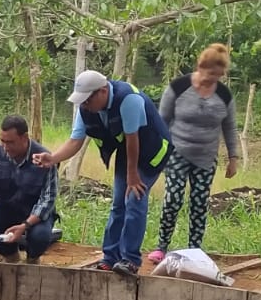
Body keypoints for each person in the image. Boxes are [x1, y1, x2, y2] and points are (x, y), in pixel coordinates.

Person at [33, 70, 172, 277]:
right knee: (118, 203)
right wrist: (52, 158)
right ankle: (110, 258)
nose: (85, 105)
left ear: (103, 92)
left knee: (134, 198)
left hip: (152, 149)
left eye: (88, 100)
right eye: (82, 101)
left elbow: (133, 138)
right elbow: (75, 141)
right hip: (129, 151)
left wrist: (133, 176)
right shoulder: (86, 109)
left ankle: (130, 260)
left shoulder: (129, 99)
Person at [150, 43, 241, 263]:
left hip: (206, 157)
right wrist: (158, 153)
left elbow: (229, 127)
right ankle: (162, 246)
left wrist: (233, 158)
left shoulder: (224, 95)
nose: (213, 80)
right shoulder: (179, 87)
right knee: (173, 198)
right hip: (178, 151)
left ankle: (194, 251)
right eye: (211, 74)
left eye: (219, 76)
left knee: (200, 203)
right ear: (201, 67)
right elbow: (161, 121)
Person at [0, 115, 59, 264]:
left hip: (35, 215)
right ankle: (10, 255)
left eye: (11, 142)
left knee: (40, 236)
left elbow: (47, 200)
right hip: (7, 210)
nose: (6, 147)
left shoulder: (45, 158)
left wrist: (25, 226)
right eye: (3, 141)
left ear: (24, 137)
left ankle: (33, 259)